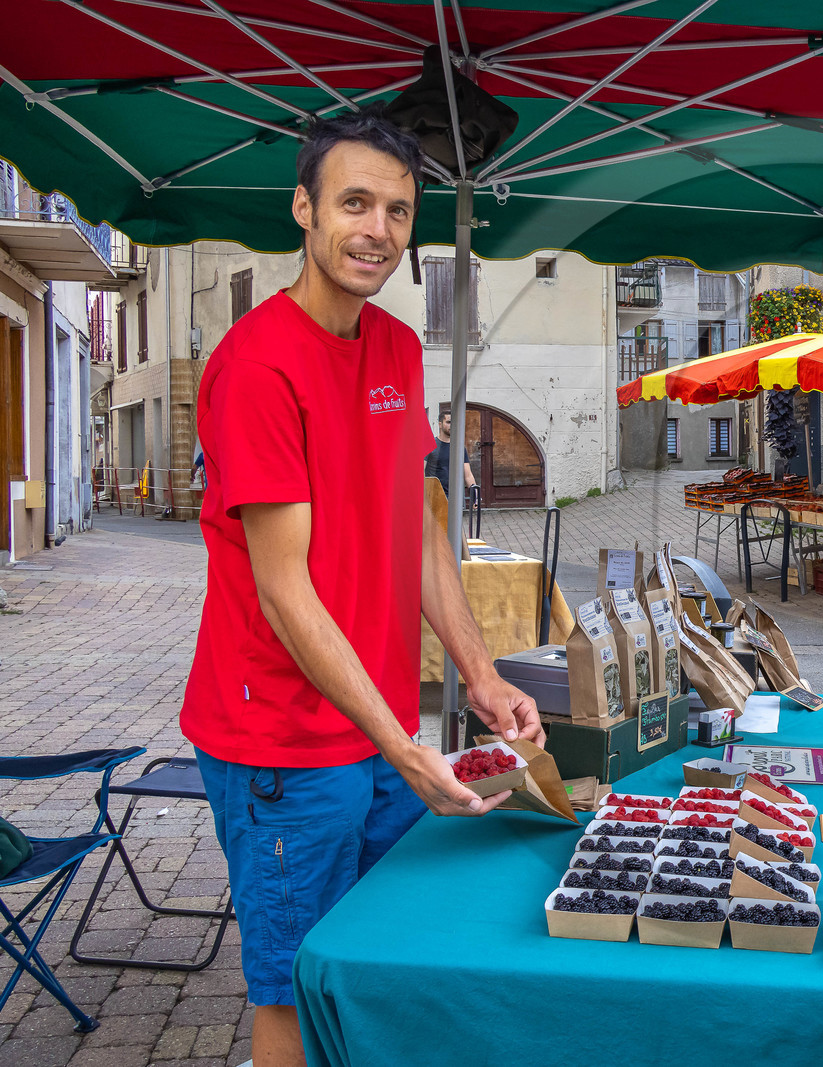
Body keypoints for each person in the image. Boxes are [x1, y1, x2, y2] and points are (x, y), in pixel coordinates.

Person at [182, 109, 543, 1067]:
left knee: (376, 961)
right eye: (353, 202)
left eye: (396, 208)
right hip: (285, 746)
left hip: (379, 733)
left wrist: (481, 674)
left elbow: (417, 525)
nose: (375, 227)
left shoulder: (392, 346)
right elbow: (284, 591)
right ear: (303, 209)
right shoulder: (256, 366)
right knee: (297, 987)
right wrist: (402, 741)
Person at [424, 407, 476, 491]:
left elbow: (468, 475)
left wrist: (475, 498)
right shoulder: (430, 445)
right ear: (440, 424)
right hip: (435, 497)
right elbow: (420, 472)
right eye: (448, 422)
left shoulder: (459, 447)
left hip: (456, 498)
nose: (452, 425)